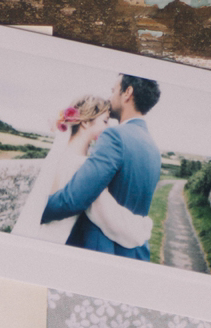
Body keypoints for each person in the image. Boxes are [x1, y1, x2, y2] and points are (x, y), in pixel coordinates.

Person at [41, 75, 162, 260]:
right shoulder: (154, 148)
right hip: (135, 253)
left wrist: (37, 210)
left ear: (127, 93)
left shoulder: (115, 136)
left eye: (113, 90)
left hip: (102, 250)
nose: (110, 96)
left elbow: (74, 198)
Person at [12, 94, 154, 248]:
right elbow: (109, 217)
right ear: (85, 122)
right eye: (105, 121)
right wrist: (143, 227)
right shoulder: (81, 166)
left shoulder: (61, 156)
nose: (108, 128)